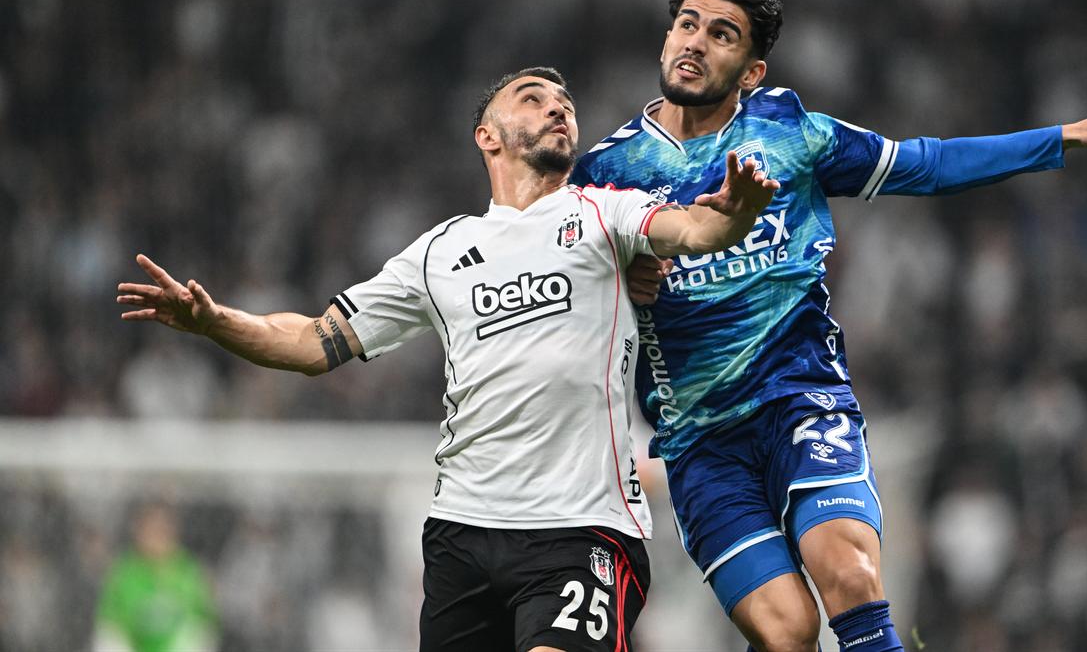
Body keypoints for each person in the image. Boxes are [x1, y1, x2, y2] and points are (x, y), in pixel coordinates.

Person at [570, 0, 1087, 652]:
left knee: (849, 570)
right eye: (687, 24)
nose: (694, 41)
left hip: (801, 400)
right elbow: (565, 293)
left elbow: (925, 164)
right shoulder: (604, 172)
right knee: (786, 630)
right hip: (701, 442)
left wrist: (1059, 138)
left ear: (752, 70)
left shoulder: (791, 134)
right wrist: (617, 287)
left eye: (722, 34)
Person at [116, 67, 779, 652]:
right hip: (464, 533)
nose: (559, 108)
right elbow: (315, 342)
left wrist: (734, 218)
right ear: (487, 136)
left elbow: (695, 227)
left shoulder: (605, 214)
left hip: (580, 532)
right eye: (533, 97)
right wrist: (213, 321)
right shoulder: (440, 252)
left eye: (565, 101)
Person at [93, 502, 218, 652]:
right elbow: (111, 628)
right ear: (138, 532)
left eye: (161, 530)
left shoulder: (190, 573)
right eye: (149, 530)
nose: (155, 537)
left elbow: (202, 626)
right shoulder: (124, 574)